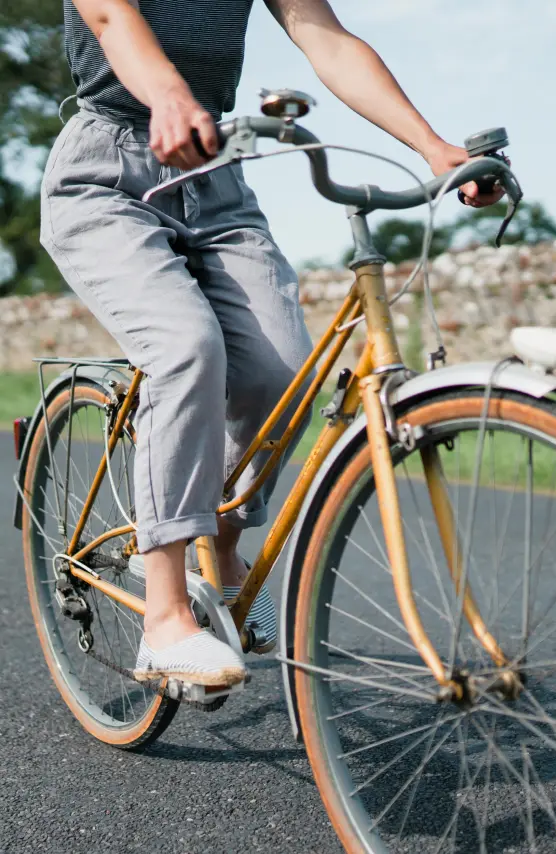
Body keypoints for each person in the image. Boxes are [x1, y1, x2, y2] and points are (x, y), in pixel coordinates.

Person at [43, 0, 503, 690]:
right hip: (105, 173)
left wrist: (432, 145)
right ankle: (165, 618)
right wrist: (170, 95)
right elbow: (110, 18)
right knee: (186, 346)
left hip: (214, 174)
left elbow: (329, 41)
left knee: (284, 371)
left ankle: (217, 551)